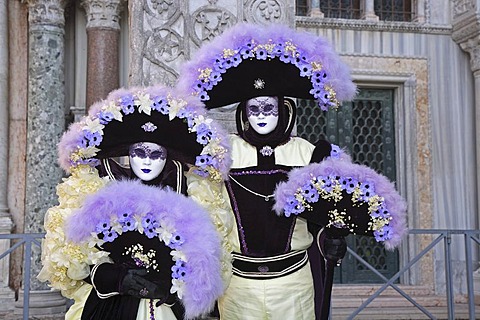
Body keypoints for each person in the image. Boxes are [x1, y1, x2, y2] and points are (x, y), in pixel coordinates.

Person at [38, 85, 231, 320]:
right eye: (139, 153)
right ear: (129, 155)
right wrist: (117, 278)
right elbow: (78, 262)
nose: (147, 161)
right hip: (112, 308)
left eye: (156, 154)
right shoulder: (100, 190)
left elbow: (205, 267)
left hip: (166, 308)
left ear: (167, 157)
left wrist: (171, 289)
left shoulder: (189, 193)